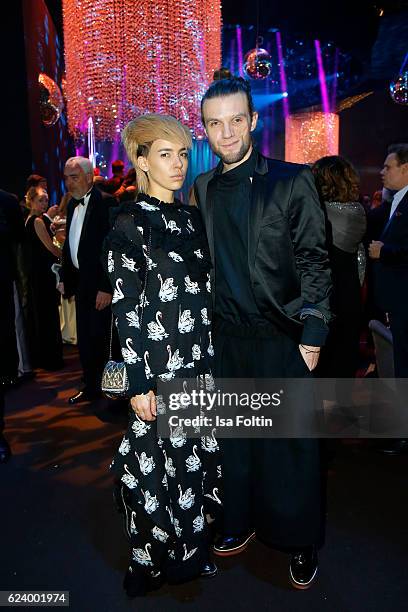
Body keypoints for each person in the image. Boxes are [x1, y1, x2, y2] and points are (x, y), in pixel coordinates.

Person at [193, 77, 332, 589]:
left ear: (253, 120)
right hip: (227, 340)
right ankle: (241, 520)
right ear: (205, 129)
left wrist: (313, 333)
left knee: (290, 447)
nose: (226, 132)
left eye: (235, 119)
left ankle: (300, 540)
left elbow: (316, 261)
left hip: (282, 336)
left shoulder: (292, 181)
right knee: (238, 443)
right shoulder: (202, 187)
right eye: (215, 123)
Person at [104, 114, 220, 596]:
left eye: (183, 153)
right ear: (142, 160)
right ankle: (149, 564)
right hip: (156, 368)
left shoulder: (194, 216)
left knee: (194, 467)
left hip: (200, 364)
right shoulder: (129, 225)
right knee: (151, 474)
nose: (178, 164)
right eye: (165, 154)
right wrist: (136, 384)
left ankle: (189, 555)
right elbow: (126, 309)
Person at [59, 157, 116, 403]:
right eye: (66, 178)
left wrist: (106, 286)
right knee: (85, 340)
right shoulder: (72, 205)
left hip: (99, 286)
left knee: (105, 339)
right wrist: (64, 276)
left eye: (74, 177)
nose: (69, 183)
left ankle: (112, 392)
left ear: (89, 177)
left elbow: (112, 248)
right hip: (81, 283)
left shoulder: (106, 202)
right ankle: (91, 386)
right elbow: (69, 245)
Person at [369, 143, 408, 454]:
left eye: (388, 166)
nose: (382, 172)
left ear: (406, 169)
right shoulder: (396, 200)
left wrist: (386, 252)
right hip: (396, 300)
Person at [312, 156, 366, 377]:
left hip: (324, 299)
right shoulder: (359, 212)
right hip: (350, 297)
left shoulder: (319, 215)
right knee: (342, 367)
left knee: (320, 367)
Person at [24, 187, 63, 370]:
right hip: (42, 273)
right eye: (41, 200)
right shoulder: (37, 221)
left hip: (36, 272)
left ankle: (45, 357)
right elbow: (50, 247)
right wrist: (66, 257)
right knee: (47, 315)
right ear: (31, 201)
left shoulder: (30, 220)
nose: (44, 204)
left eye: (46, 200)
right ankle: (51, 359)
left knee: (42, 314)